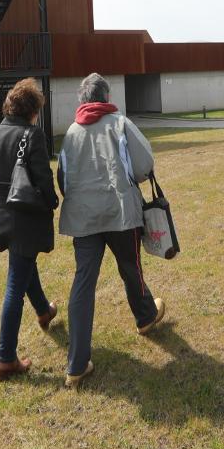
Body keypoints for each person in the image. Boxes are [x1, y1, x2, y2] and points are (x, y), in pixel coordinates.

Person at [57, 72, 166, 389]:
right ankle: (145, 317)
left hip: (84, 219)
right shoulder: (120, 122)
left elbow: (63, 179)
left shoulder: (72, 132)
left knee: (83, 283)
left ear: (82, 99)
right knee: (130, 267)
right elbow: (145, 164)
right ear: (105, 96)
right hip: (120, 213)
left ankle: (76, 364)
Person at [0, 78, 61, 381]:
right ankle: (5, 358)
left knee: (23, 263)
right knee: (15, 283)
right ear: (32, 110)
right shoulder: (32, 135)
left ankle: (43, 310)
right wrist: (52, 201)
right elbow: (42, 177)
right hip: (24, 216)